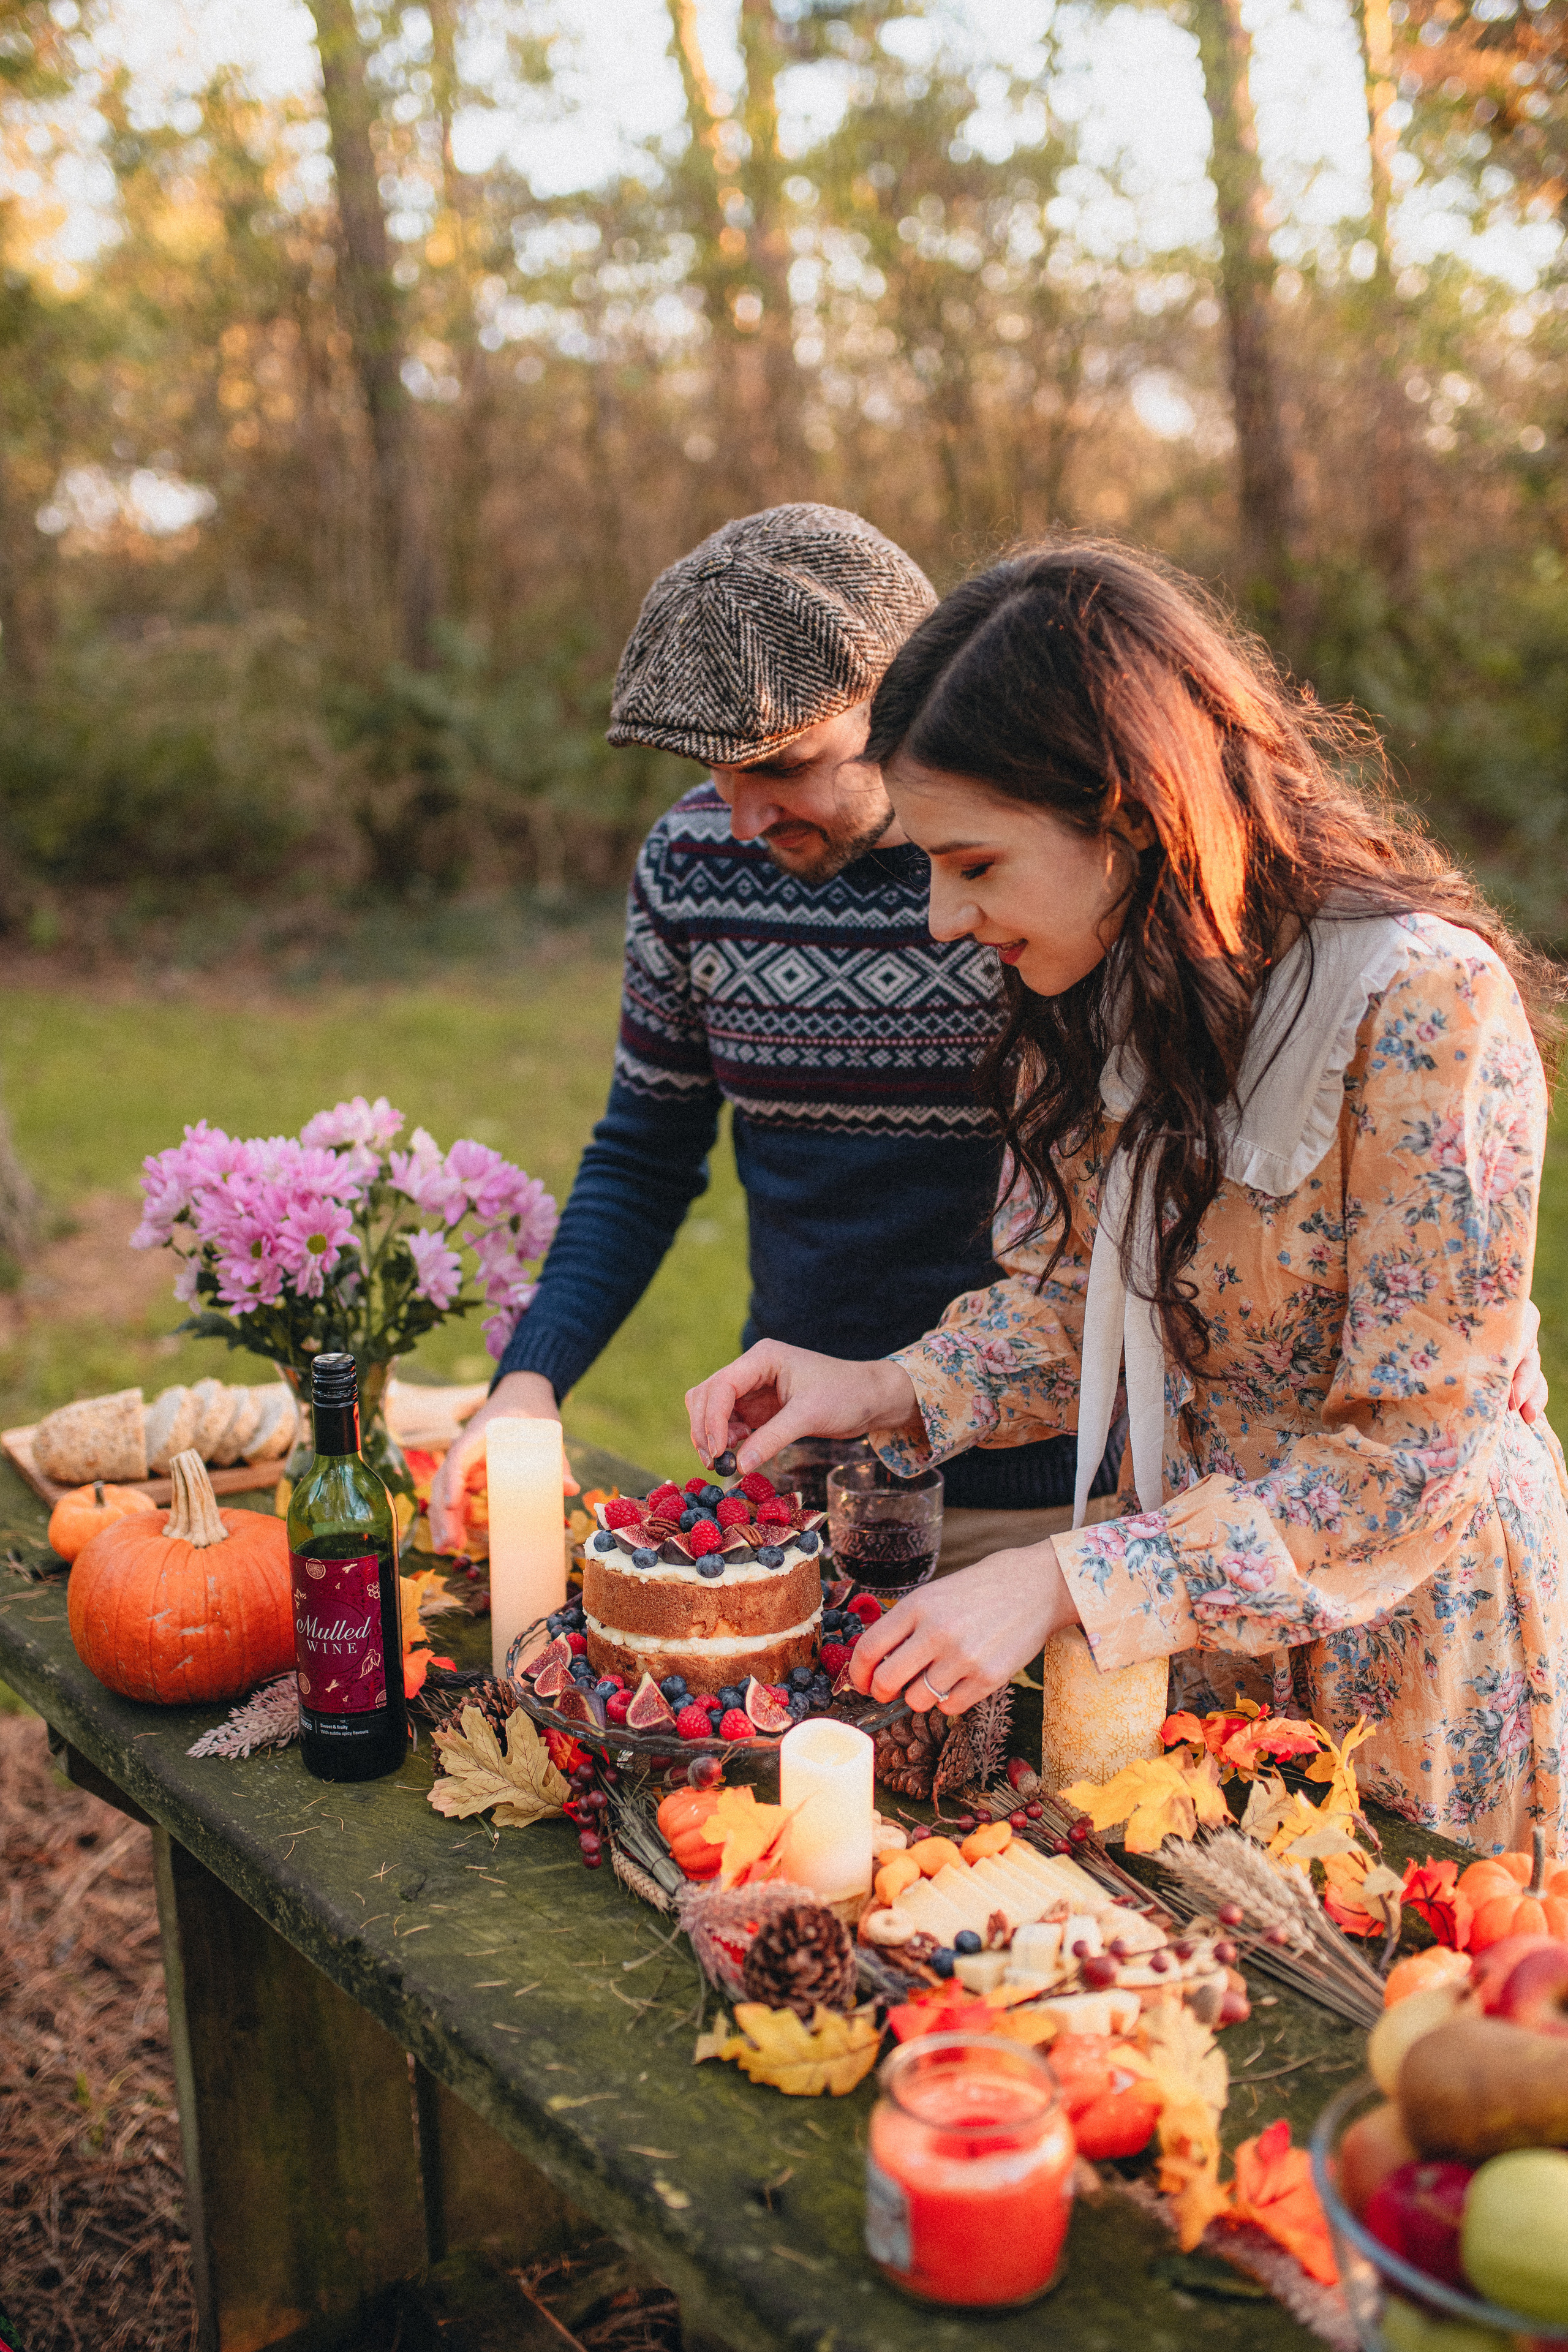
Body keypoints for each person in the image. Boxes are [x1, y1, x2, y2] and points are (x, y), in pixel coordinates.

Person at [686, 538, 1567, 1854]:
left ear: (1128, 817)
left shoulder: (1418, 1007)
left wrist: (1062, 1578)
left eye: (974, 866)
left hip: (1407, 1645)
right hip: (1188, 1628)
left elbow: (1409, 1457)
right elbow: (1071, 1299)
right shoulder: (1089, 985)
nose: (938, 919)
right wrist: (888, 1387)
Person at [429, 505, 1121, 1556]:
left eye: (787, 764)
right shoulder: (691, 860)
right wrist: (530, 1380)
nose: (745, 818)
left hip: (1049, 1488)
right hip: (801, 1472)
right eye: (720, 774)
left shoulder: (1048, 879)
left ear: (916, 700)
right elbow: (644, 1152)